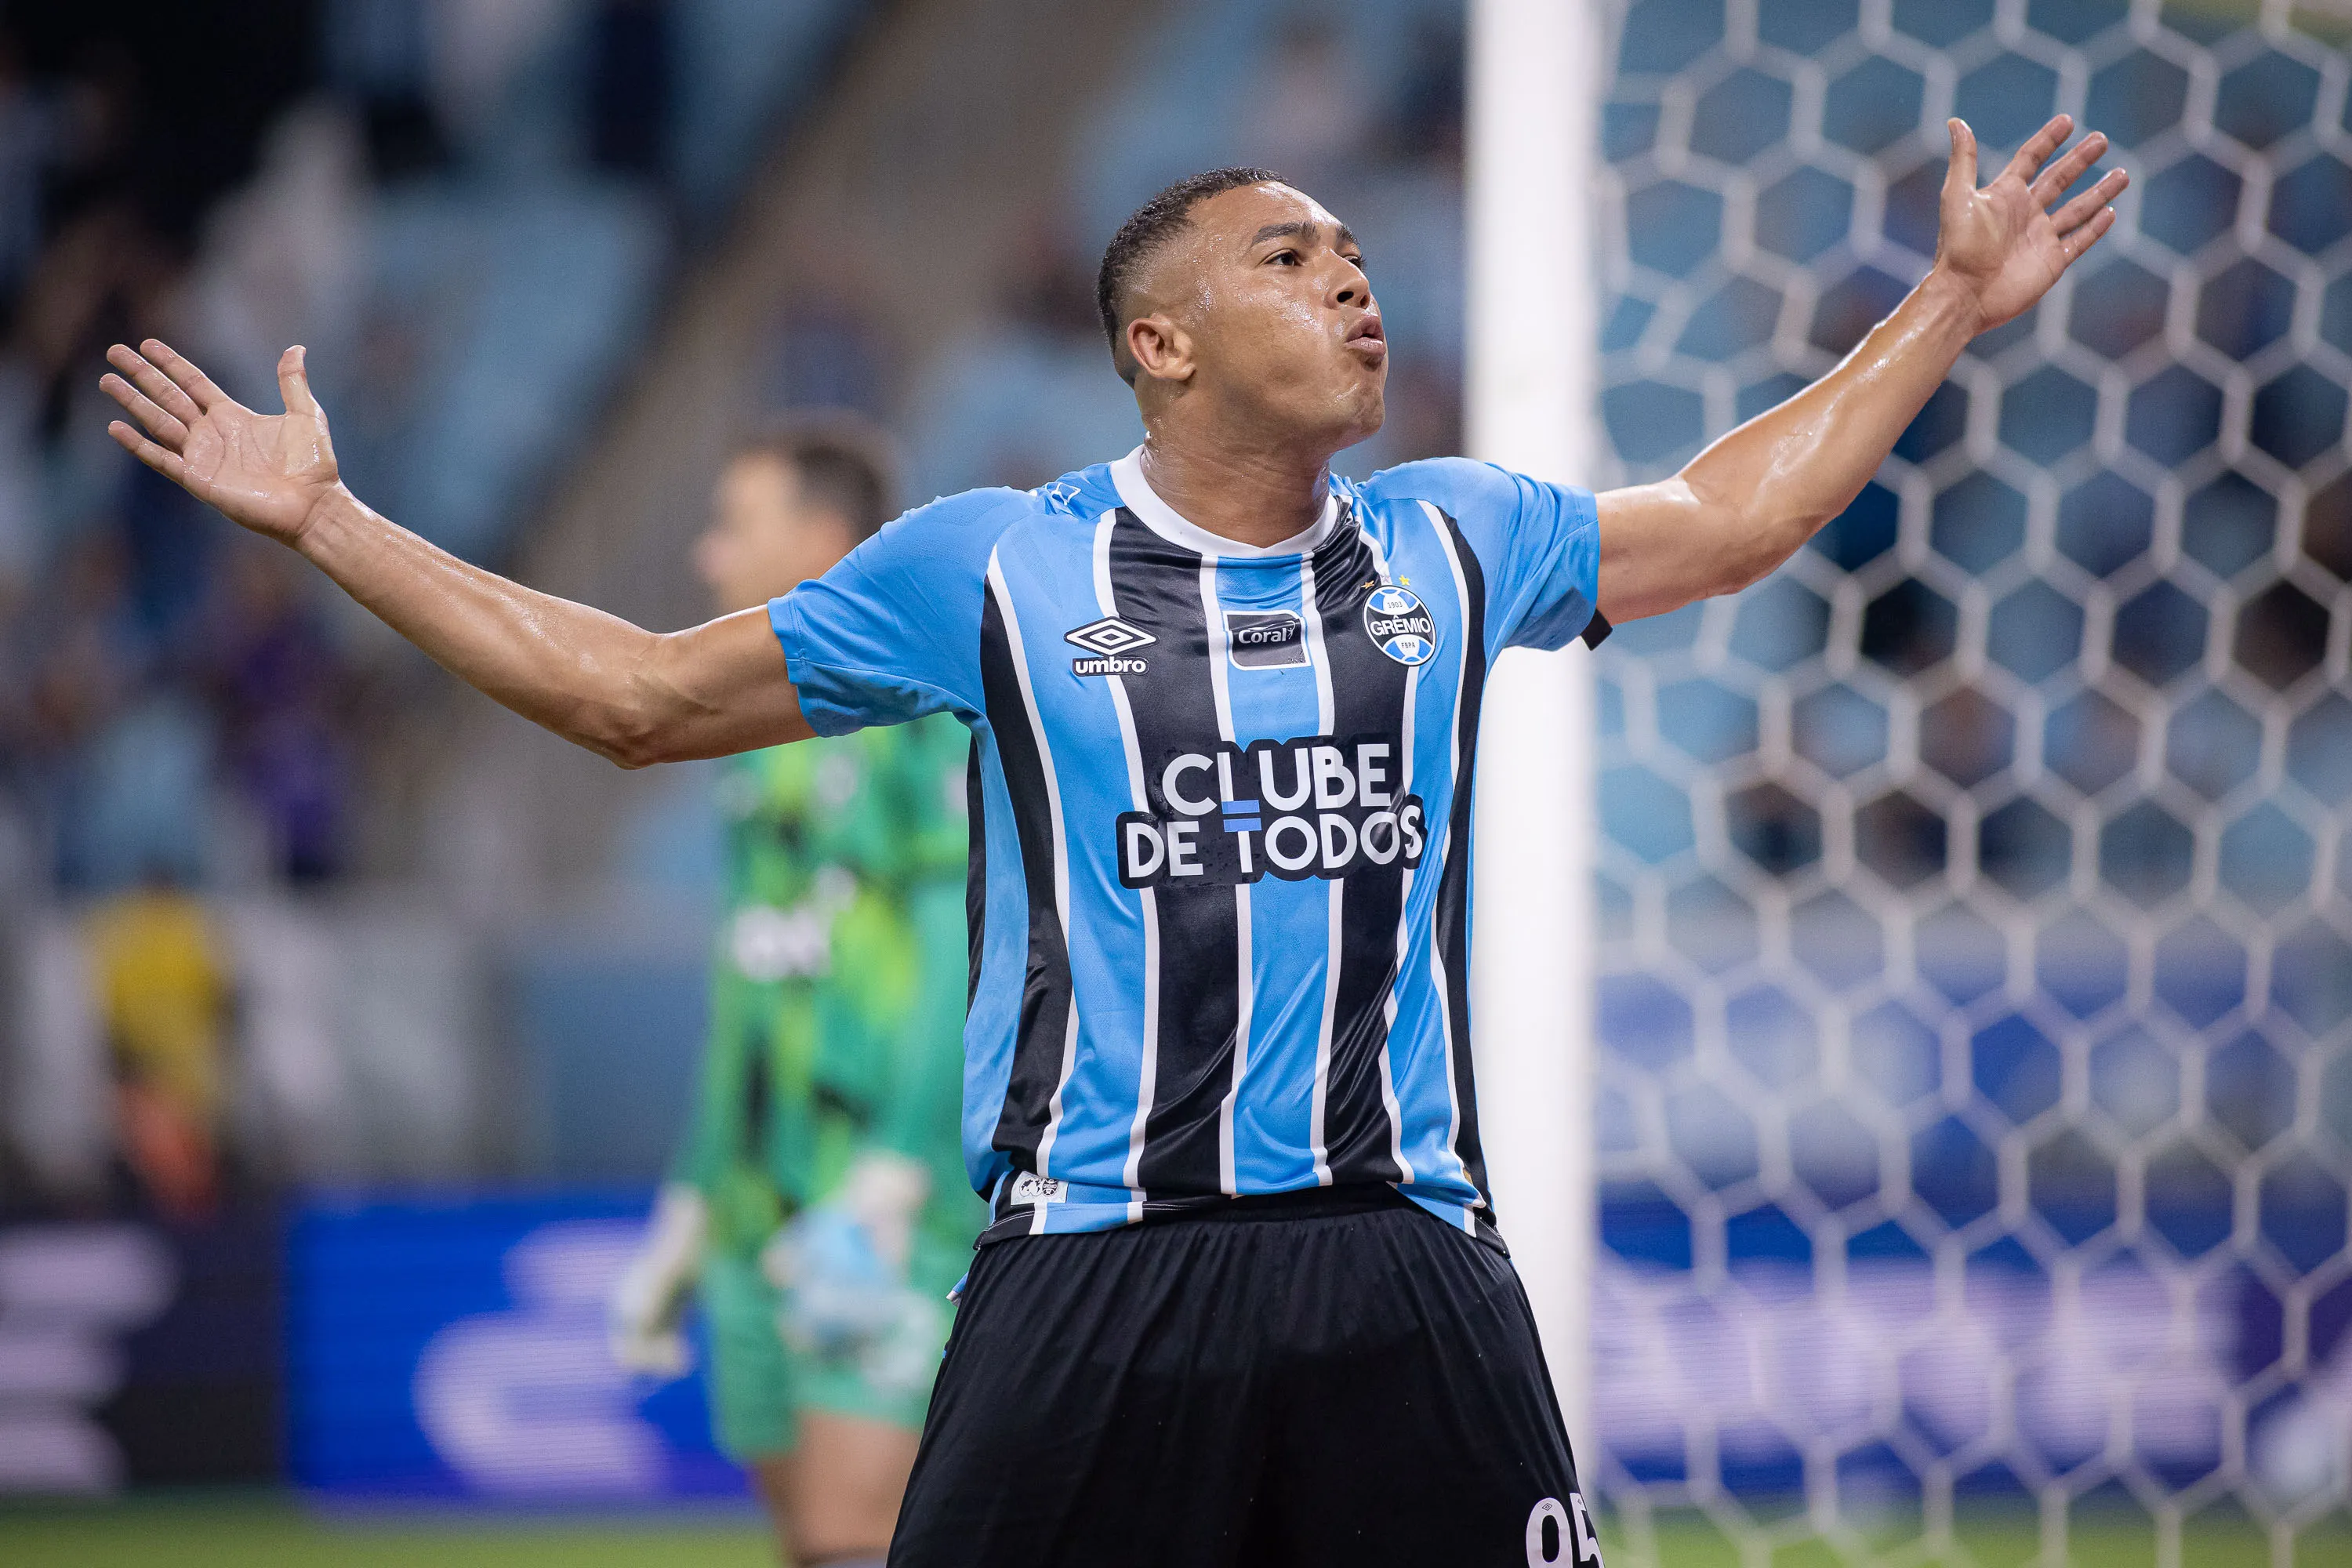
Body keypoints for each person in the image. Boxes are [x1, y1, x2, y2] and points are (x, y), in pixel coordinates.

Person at [100, 115, 2125, 1566]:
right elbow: (629, 698)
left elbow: (1736, 515)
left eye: (1352, 253)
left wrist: (1948, 300)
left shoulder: (1455, 534)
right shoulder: (985, 570)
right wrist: (334, 525)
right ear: (1158, 343)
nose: (1351, 280)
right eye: (1289, 256)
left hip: (1404, 1261)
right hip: (1092, 1275)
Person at [604, 419, 981, 1567]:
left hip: (880, 1202)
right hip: (758, 1211)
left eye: (734, 528)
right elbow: (746, 989)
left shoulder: (922, 718)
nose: (710, 561)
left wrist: (898, 1169)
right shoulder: (755, 747)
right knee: (810, 1543)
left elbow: (958, 946)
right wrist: (692, 1195)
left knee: (855, 1528)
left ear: (820, 541)